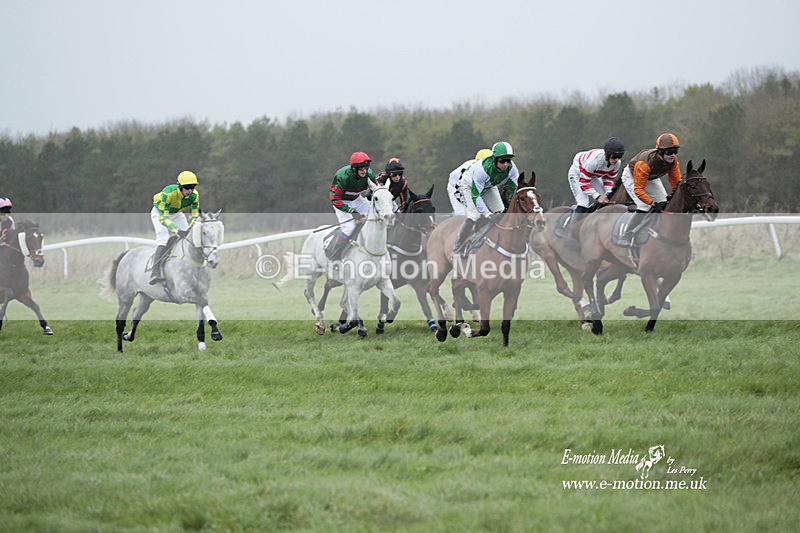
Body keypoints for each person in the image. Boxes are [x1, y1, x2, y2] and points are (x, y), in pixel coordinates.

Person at [454, 141, 520, 255]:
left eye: (508, 160)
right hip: (470, 186)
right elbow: (476, 195)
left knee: (500, 213)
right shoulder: (482, 170)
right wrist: (488, 215)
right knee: (475, 215)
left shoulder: (512, 168)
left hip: (489, 185)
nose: (505, 164)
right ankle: (458, 245)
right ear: (494, 159)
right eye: (502, 161)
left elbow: (514, 190)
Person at [620, 133, 682, 239]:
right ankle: (627, 233)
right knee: (645, 206)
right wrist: (653, 204)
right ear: (661, 152)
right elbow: (639, 190)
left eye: (675, 151)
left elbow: (676, 183)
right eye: (669, 152)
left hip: (650, 177)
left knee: (664, 203)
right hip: (632, 176)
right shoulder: (644, 163)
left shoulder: (674, 161)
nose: (672, 155)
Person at [149, 170, 200, 284]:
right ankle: (154, 272)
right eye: (187, 187)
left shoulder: (195, 196)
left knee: (188, 236)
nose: (190, 191)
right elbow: (164, 218)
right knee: (163, 239)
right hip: (160, 213)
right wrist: (177, 230)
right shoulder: (168, 193)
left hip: (177, 214)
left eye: (192, 187)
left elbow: (194, 214)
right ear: (180, 186)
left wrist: (190, 227)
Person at [566, 137, 625, 235]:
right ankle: (571, 231)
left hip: (593, 175)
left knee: (605, 201)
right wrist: (597, 196)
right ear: (607, 155)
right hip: (578, 175)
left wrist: (607, 194)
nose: (616, 160)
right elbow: (584, 182)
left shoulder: (617, 163)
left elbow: (608, 179)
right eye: (614, 157)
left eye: (619, 157)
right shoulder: (594, 162)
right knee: (583, 202)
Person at [327, 151, 376, 260]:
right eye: (361, 169)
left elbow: (376, 190)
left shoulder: (370, 174)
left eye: (366, 168)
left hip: (357, 199)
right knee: (349, 228)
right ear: (354, 169)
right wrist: (353, 212)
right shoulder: (342, 176)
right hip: (341, 201)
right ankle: (335, 256)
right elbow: (335, 199)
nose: (364, 172)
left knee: (376, 217)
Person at [447, 148, 492, 215]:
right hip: (456, 187)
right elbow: (464, 190)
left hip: (471, 187)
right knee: (463, 214)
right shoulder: (470, 171)